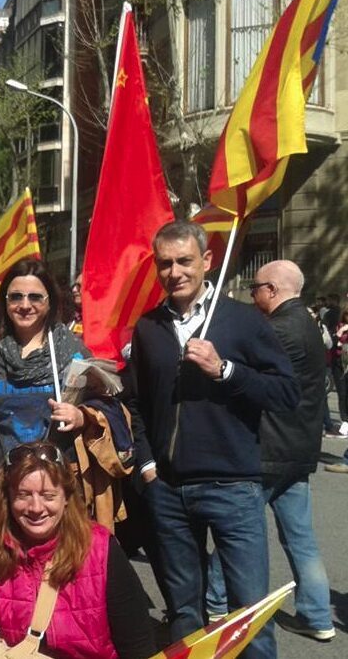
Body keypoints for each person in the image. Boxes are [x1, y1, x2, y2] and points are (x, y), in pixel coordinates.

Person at [126, 221, 298, 658]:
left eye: (184, 261)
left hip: (232, 486)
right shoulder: (147, 328)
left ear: (207, 261)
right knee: (184, 610)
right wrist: (147, 465)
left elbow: (285, 392)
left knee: (249, 613)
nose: (175, 272)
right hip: (168, 489)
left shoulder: (241, 320)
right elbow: (137, 403)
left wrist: (226, 371)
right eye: (165, 263)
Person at [206, 261, 334, 642]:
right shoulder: (310, 324)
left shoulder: (278, 329)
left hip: (269, 447)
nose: (253, 295)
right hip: (299, 448)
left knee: (236, 528)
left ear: (273, 290)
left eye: (256, 288)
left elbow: (240, 369)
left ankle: (214, 604)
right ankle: (316, 614)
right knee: (300, 537)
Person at [0, 442, 156, 659]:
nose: (36, 507)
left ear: (66, 497)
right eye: (23, 495)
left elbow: (139, 647)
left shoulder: (102, 550)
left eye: (48, 495)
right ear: (7, 497)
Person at [0, 258, 90, 454]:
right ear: (5, 301)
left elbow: (104, 404)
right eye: (16, 296)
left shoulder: (72, 351)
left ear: (49, 302)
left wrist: (81, 416)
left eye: (35, 297)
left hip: (57, 475)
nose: (25, 305)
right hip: (4, 473)